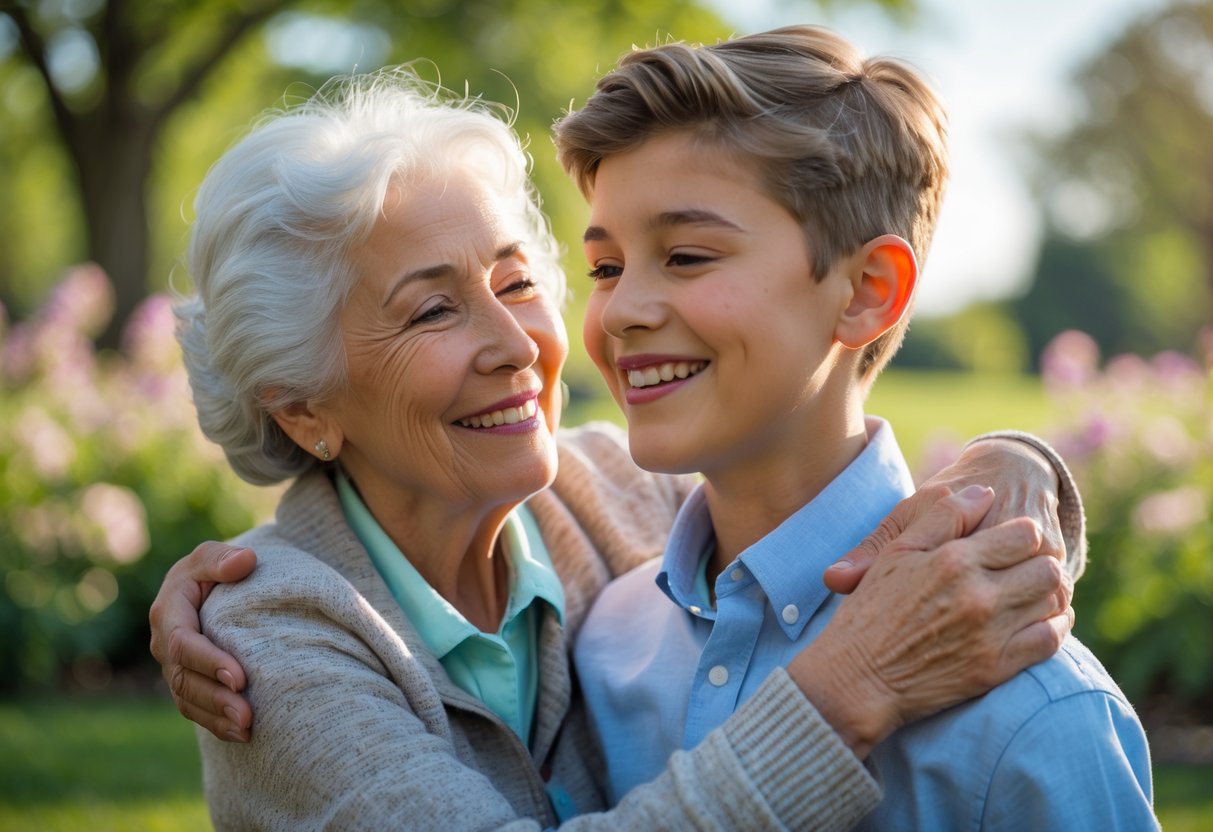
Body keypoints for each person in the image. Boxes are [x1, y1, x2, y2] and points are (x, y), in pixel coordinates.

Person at [151, 67, 1077, 830]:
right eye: (433, 309)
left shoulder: (614, 490)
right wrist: (852, 685)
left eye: (517, 283)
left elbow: (822, 476)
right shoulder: (269, 639)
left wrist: (1016, 468)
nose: (518, 345)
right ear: (302, 408)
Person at [553, 25, 1158, 829]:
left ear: (868, 289)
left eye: (688, 255)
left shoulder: (1032, 711)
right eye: (605, 267)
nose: (621, 310)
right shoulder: (603, 649)